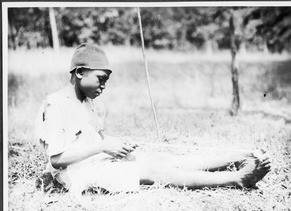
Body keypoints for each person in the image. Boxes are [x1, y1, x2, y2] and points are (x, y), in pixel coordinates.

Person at [35, 43, 271, 196]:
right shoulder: (54, 105)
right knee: (153, 169)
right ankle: (238, 179)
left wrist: (115, 145)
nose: (104, 86)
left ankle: (238, 156)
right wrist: (103, 147)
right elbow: (57, 160)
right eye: (100, 79)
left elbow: (95, 139)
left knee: (162, 157)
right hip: (77, 173)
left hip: (96, 160)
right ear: (79, 73)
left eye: (106, 80)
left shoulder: (87, 102)